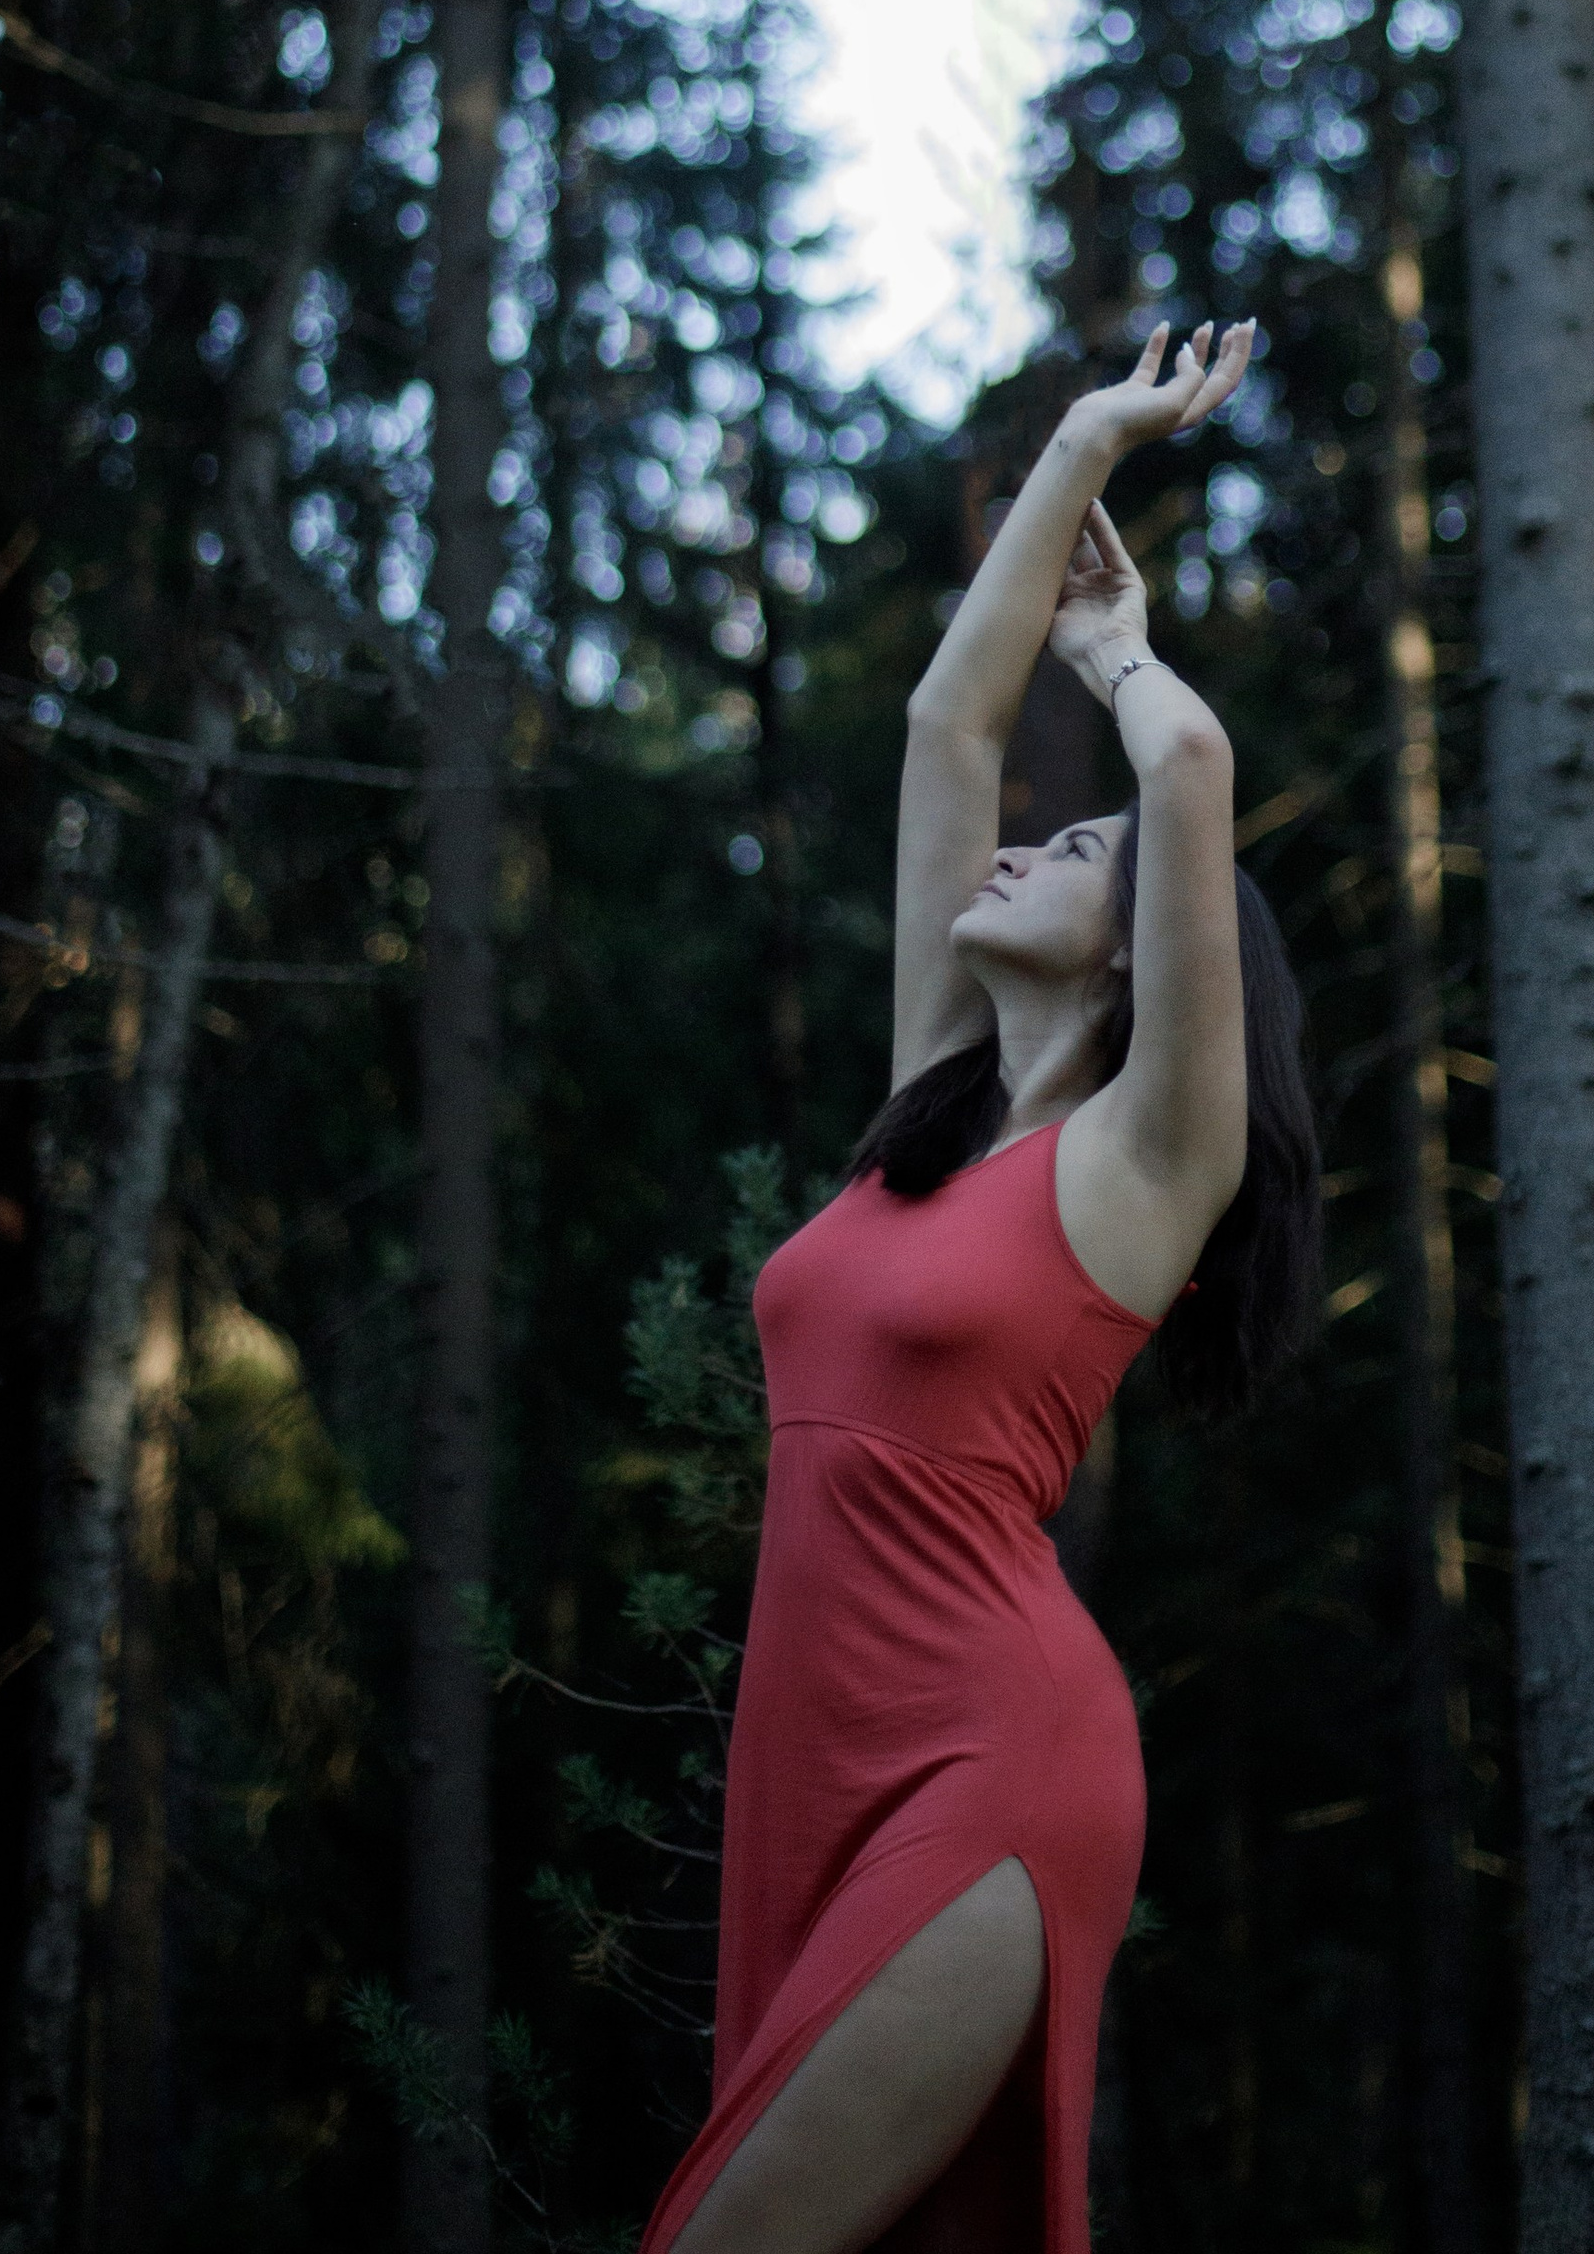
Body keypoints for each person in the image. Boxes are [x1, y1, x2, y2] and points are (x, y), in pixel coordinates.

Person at [640, 320, 1321, 2254]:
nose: (1027, 838)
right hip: (815, 1745)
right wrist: (1068, 465)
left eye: (1079, 845)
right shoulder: (923, 1116)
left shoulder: (1141, 1164)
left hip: (993, 1760)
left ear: (1136, 962)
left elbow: (1185, 757)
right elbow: (949, 721)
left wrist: (1118, 645)